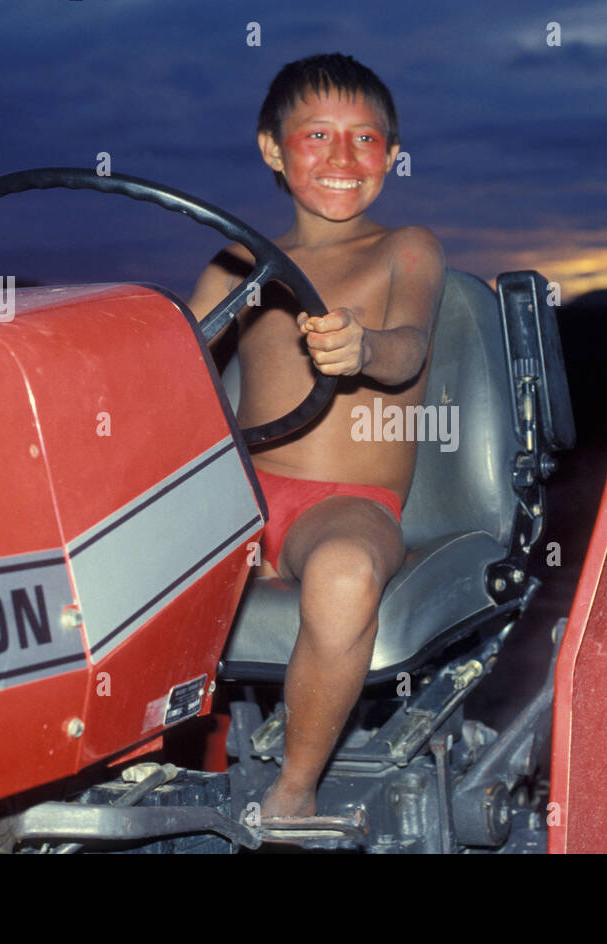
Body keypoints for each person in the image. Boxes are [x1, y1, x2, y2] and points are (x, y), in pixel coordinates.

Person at [187, 53, 445, 820]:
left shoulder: (405, 247)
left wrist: (364, 348)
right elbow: (172, 359)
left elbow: (409, 348)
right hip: (236, 497)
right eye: (318, 136)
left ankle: (294, 793)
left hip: (337, 505)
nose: (343, 159)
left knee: (342, 574)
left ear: (392, 157)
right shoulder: (237, 262)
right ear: (272, 148)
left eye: (366, 140)